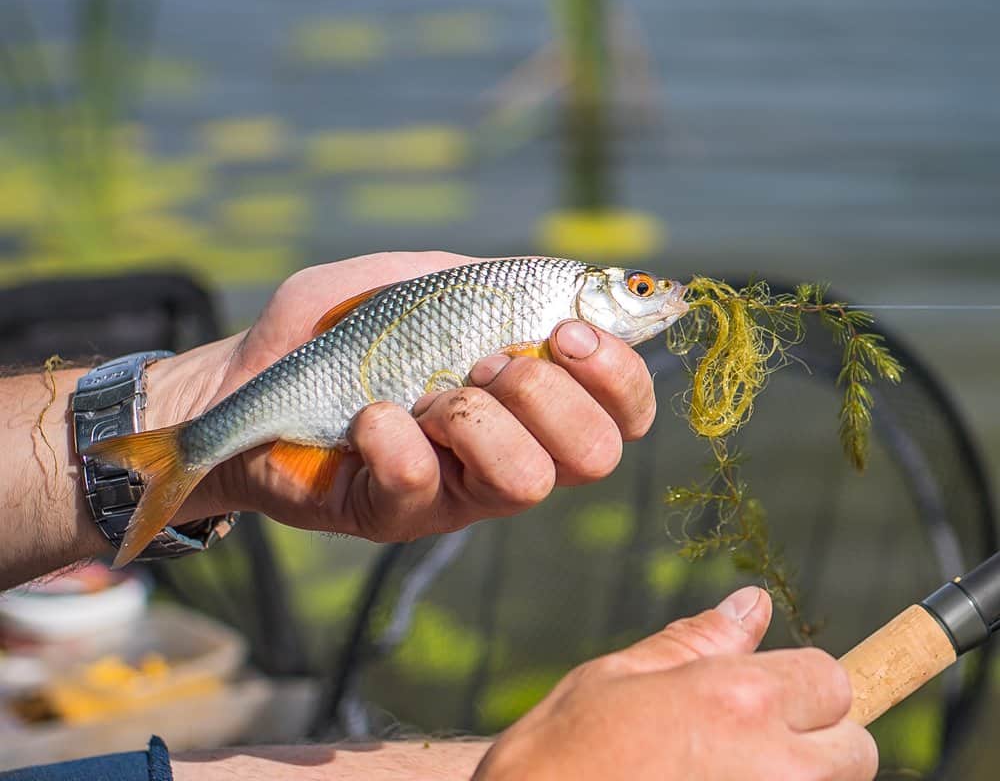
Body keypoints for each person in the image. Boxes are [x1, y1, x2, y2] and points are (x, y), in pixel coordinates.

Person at [0, 253, 878, 780]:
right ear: (593, 299)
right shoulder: (544, 291)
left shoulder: (535, 291)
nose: (659, 298)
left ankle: (182, 449)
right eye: (641, 288)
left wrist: (206, 394)